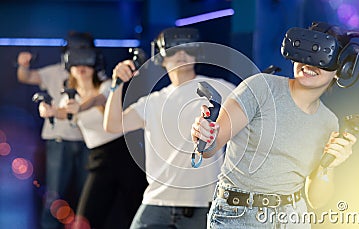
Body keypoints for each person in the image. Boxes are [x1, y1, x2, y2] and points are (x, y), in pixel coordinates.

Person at [191, 22, 359, 228]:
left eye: (323, 57)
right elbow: (211, 146)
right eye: (305, 51)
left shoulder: (329, 122)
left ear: (342, 68)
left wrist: (329, 166)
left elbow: (317, 199)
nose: (309, 64)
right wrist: (205, 134)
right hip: (237, 217)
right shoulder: (261, 87)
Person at [103, 27, 236, 228]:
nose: (181, 53)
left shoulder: (221, 88)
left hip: (203, 203)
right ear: (161, 57)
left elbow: (254, 113)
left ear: (197, 52)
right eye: (173, 49)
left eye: (188, 48)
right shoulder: (152, 102)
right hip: (157, 201)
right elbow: (112, 125)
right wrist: (116, 85)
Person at [40, 41, 147, 228]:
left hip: (125, 153)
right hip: (99, 158)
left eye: (86, 61)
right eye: (76, 62)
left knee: (137, 212)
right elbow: (64, 112)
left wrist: (80, 107)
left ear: (94, 64)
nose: (81, 67)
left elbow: (100, 99)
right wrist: (50, 111)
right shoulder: (69, 97)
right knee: (85, 219)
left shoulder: (107, 85)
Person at [16, 32, 93, 229]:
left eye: (83, 51)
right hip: (59, 139)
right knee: (56, 194)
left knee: (86, 194)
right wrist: (23, 64)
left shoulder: (94, 74)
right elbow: (27, 77)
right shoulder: (55, 72)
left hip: (88, 140)